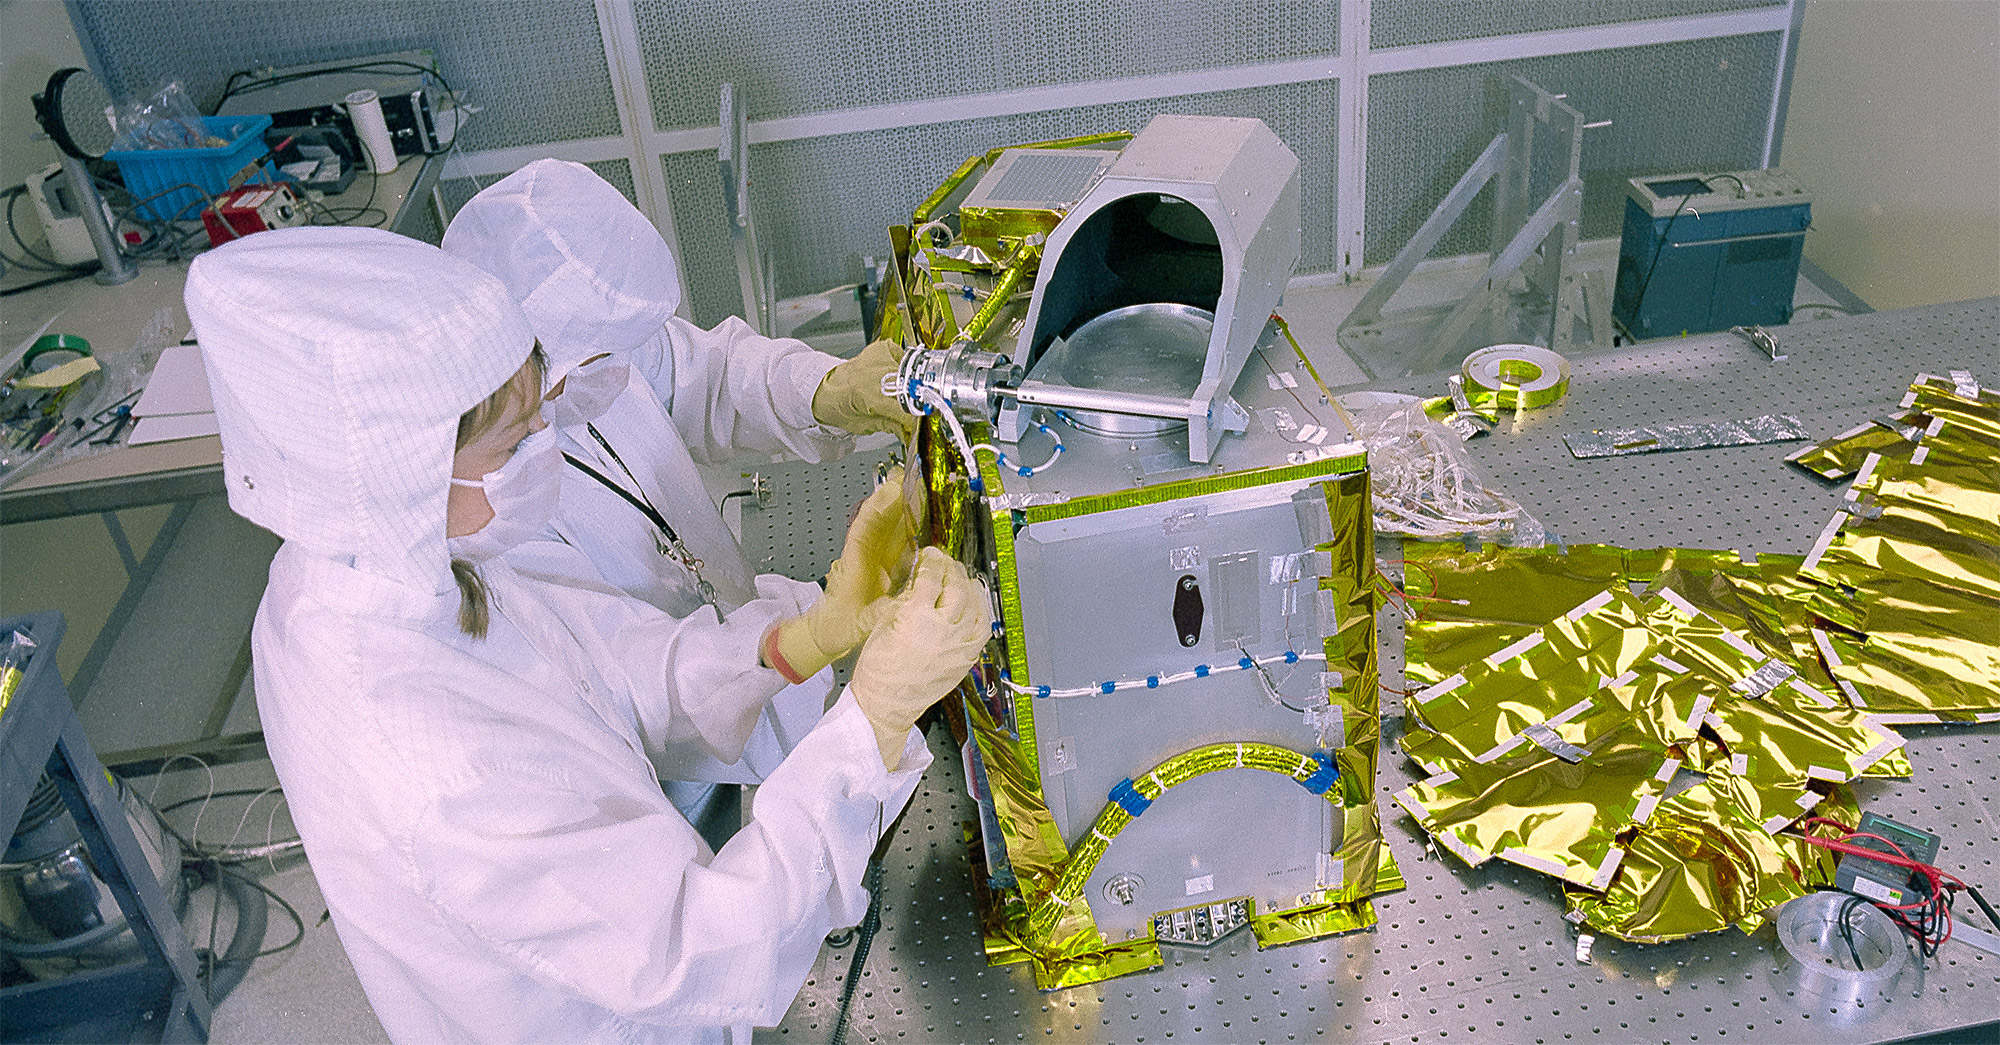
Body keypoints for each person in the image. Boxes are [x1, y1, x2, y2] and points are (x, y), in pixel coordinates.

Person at [185, 226, 990, 1042]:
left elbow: (606, 670)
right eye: (517, 440)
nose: (548, 451)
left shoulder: (400, 559)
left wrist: (806, 635)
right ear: (407, 470)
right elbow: (703, 951)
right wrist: (872, 722)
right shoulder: (431, 761)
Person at [440, 159, 915, 809]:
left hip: (773, 684)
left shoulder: (579, 349)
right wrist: (809, 630)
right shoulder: (489, 513)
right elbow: (635, 683)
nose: (618, 367)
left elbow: (707, 372)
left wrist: (828, 391)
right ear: (521, 357)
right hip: (685, 783)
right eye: (597, 355)